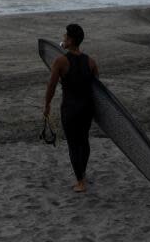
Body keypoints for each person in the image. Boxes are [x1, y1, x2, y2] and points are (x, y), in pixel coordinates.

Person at [44, 23, 99, 193]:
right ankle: (82, 173)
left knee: (74, 145)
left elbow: (51, 86)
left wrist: (46, 105)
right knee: (83, 141)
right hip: (87, 108)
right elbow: (97, 90)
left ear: (70, 40)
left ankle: (80, 181)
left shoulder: (61, 61)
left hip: (70, 109)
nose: (63, 38)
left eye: (65, 36)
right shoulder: (91, 62)